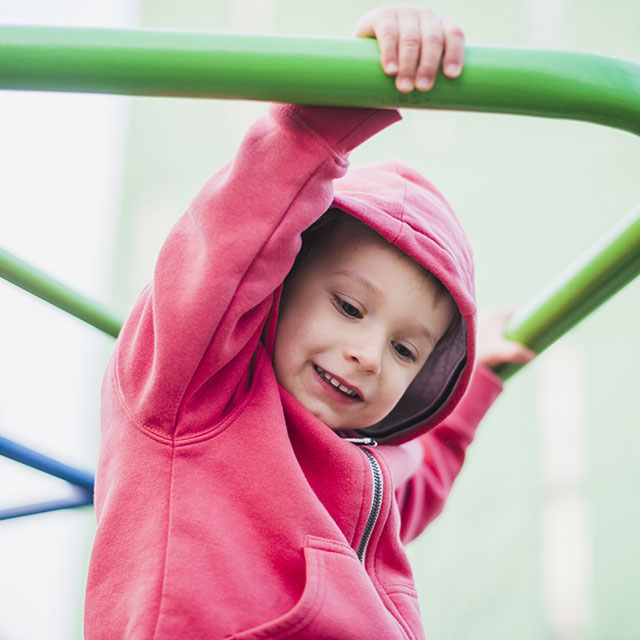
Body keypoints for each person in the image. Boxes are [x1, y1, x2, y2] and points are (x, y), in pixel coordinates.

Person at [84, 6, 534, 639]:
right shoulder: (192, 392)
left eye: (407, 352)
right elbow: (230, 240)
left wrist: (478, 375)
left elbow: (421, 469)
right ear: (277, 284)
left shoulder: (357, 465)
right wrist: (329, 112)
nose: (371, 355)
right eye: (349, 308)